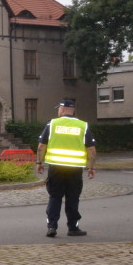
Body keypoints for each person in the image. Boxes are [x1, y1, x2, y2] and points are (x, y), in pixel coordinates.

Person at [36, 99, 96, 237]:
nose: (58, 111)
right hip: (75, 169)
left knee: (55, 197)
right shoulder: (83, 126)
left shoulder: (52, 124)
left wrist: (39, 163)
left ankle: (52, 227)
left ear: (63, 109)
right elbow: (91, 149)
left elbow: (41, 146)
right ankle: (73, 228)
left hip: (56, 168)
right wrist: (92, 167)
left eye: (59, 108)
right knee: (73, 198)